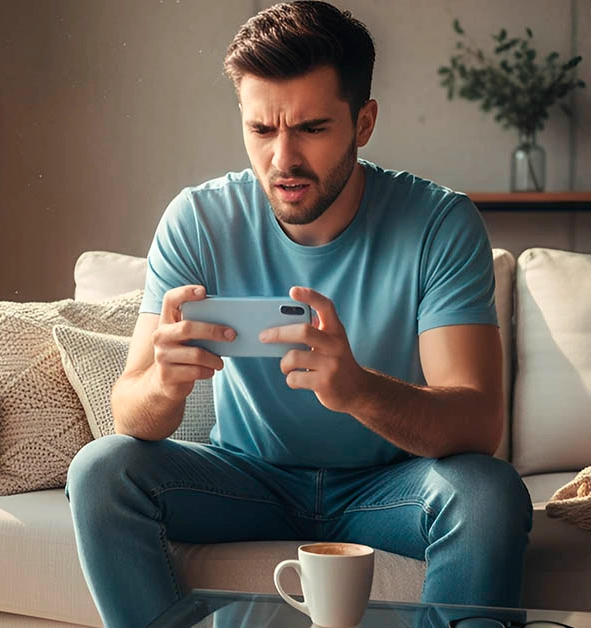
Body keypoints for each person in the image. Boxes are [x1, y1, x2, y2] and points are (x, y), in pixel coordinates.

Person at [64, 2, 533, 627]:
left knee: (487, 493)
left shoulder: (438, 224)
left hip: (389, 487)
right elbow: (130, 410)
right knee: (100, 470)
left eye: (311, 128)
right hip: (243, 479)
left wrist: (359, 390)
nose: (283, 159)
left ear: (362, 122)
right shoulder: (198, 220)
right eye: (261, 130)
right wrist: (164, 382)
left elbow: (477, 423)